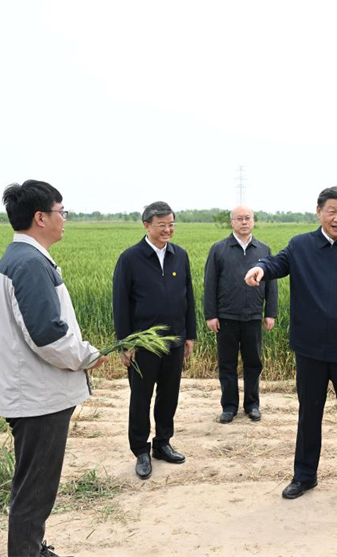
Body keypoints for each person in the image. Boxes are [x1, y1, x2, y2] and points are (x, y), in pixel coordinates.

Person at [244, 186, 337, 506]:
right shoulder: (301, 246)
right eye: (332, 211)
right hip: (309, 348)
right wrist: (260, 269)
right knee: (309, 414)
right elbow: (275, 263)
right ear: (319, 212)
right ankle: (305, 475)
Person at [0, 180, 106, 557]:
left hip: (36, 393)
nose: (65, 220)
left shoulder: (24, 258)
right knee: (35, 490)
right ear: (41, 217)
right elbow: (48, 336)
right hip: (38, 397)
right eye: (62, 212)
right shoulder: (28, 263)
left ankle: (33, 547)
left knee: (35, 486)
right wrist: (89, 355)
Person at [113, 201, 196, 480]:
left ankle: (162, 443)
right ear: (147, 225)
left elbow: (189, 298)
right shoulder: (130, 259)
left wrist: (189, 335)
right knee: (141, 397)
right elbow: (121, 304)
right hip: (143, 344)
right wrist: (126, 343)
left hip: (174, 341)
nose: (168, 230)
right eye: (162, 225)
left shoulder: (179, 256)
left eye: (171, 224)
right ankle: (141, 450)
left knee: (169, 395)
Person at [204, 205, 277, 423]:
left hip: (253, 316)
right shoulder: (219, 249)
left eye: (247, 218)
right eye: (239, 219)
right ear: (232, 222)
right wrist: (211, 315)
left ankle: (252, 405)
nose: (244, 222)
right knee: (227, 364)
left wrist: (270, 313)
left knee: (253, 363)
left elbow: (271, 284)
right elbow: (210, 285)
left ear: (253, 221)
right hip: (226, 317)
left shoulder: (263, 250)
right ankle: (229, 407)